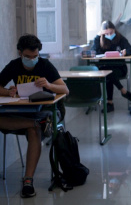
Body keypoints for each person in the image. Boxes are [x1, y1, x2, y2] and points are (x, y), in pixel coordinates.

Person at [0, 34, 69, 198]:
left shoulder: (45, 65)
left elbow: (65, 90)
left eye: (35, 56)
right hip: (21, 113)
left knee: (34, 131)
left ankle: (28, 181)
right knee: (33, 125)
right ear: (19, 53)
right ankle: (33, 124)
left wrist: (48, 85)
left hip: (46, 111)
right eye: (27, 57)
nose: (32, 60)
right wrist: (9, 92)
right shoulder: (14, 66)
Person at [91, 20, 131, 112]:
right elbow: (94, 52)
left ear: (114, 30)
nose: (109, 35)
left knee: (108, 75)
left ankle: (110, 104)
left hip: (119, 68)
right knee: (107, 73)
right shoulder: (99, 39)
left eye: (111, 32)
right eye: (106, 33)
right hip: (104, 67)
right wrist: (98, 36)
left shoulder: (120, 38)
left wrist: (125, 52)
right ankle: (123, 90)